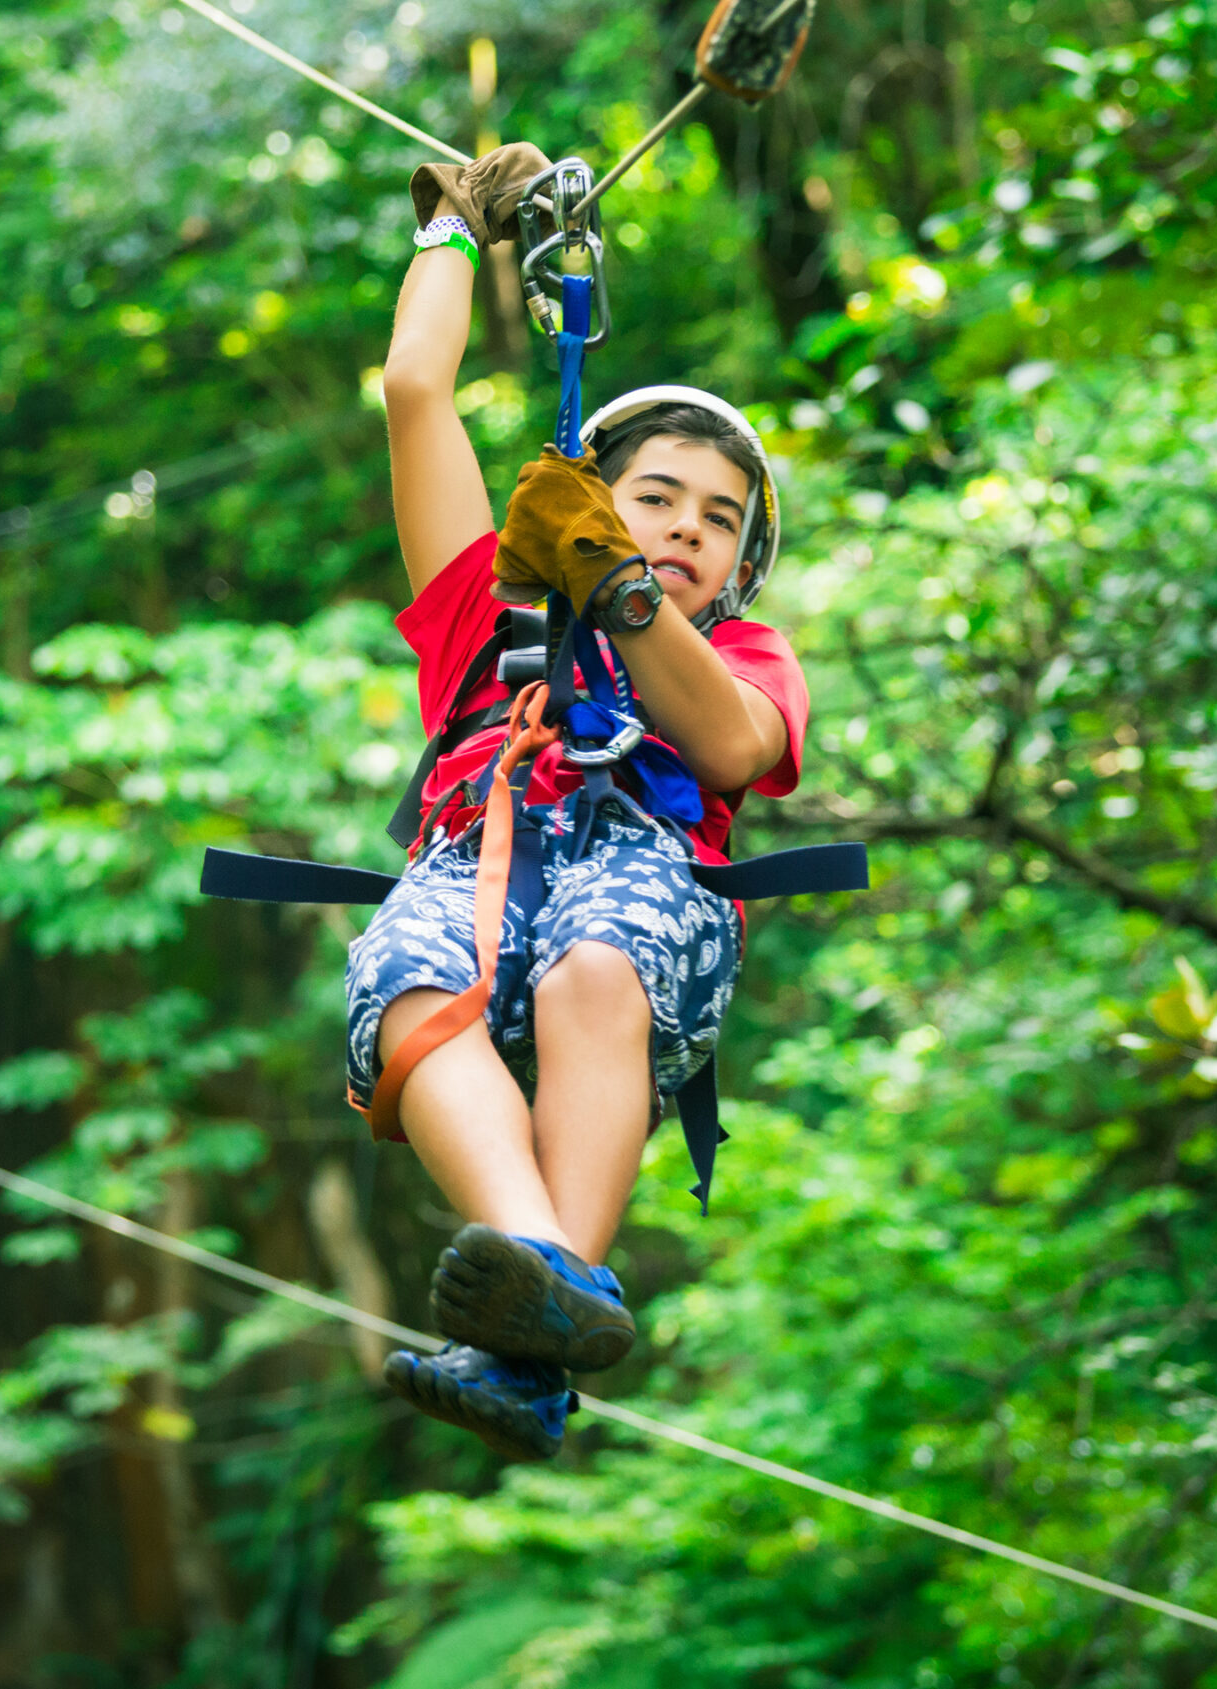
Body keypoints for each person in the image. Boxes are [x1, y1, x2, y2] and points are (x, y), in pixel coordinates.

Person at [351, 143, 811, 1460]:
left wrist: (621, 588)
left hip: (640, 884)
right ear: (591, 493)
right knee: (405, 978)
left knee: (594, 965)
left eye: (716, 521)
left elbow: (727, 749)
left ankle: (538, 1297)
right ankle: (543, 1286)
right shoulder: (477, 620)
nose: (682, 528)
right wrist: (450, 232)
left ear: (737, 567)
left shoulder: (742, 654)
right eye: (652, 498)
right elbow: (414, 392)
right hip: (480, 862)